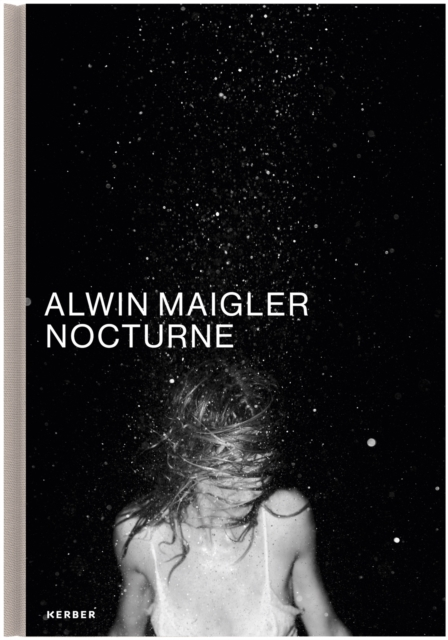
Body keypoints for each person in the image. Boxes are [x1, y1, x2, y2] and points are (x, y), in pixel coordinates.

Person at [109, 358, 350, 636]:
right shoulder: (142, 536)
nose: (249, 493)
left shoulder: (285, 519)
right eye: (231, 476)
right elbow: (125, 633)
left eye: (259, 472)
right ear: (189, 457)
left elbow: (327, 630)